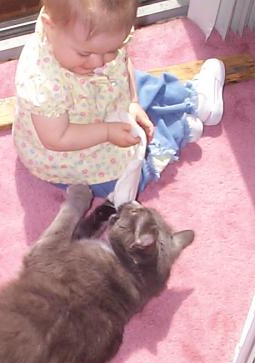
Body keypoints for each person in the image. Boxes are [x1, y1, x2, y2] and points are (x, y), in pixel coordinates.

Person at [12, 0, 225, 210]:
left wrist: (133, 101)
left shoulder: (86, 36)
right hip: (71, 150)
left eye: (112, 49)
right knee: (123, 175)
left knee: (142, 84)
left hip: (99, 97)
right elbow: (56, 138)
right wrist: (106, 132)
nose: (98, 62)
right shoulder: (42, 83)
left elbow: (122, 63)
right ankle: (178, 130)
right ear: (49, 26)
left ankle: (196, 101)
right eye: (85, 53)